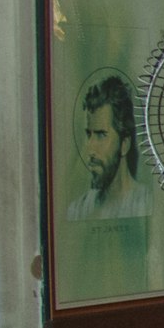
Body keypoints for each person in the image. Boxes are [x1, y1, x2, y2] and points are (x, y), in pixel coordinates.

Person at [65, 71, 151, 221]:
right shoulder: (77, 210)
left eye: (101, 135)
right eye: (89, 134)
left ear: (124, 144)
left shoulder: (146, 203)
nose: (90, 149)